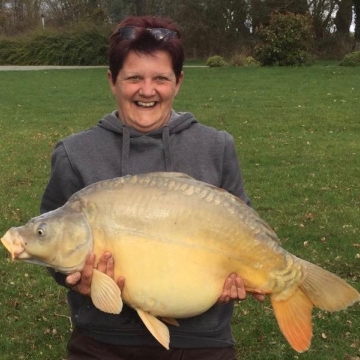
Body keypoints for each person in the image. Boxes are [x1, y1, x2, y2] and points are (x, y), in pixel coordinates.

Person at [40, 15, 264, 360]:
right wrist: (74, 278)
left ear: (178, 82)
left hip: (203, 342)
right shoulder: (75, 154)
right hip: (102, 341)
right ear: (112, 81)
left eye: (161, 78)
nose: (147, 91)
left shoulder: (216, 147)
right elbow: (52, 241)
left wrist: (242, 273)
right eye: (134, 78)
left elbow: (242, 229)